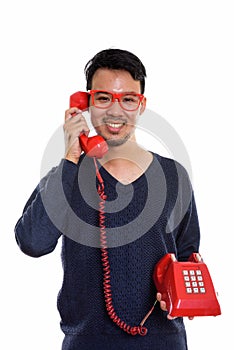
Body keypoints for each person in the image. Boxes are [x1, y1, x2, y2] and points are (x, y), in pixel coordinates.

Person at [15, 48, 200, 350]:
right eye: (103, 98)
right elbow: (33, 242)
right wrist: (72, 158)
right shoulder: (66, 175)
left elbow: (188, 250)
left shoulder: (173, 176)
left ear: (141, 105)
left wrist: (180, 295)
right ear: (85, 104)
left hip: (164, 341)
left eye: (128, 99)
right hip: (87, 343)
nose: (115, 111)